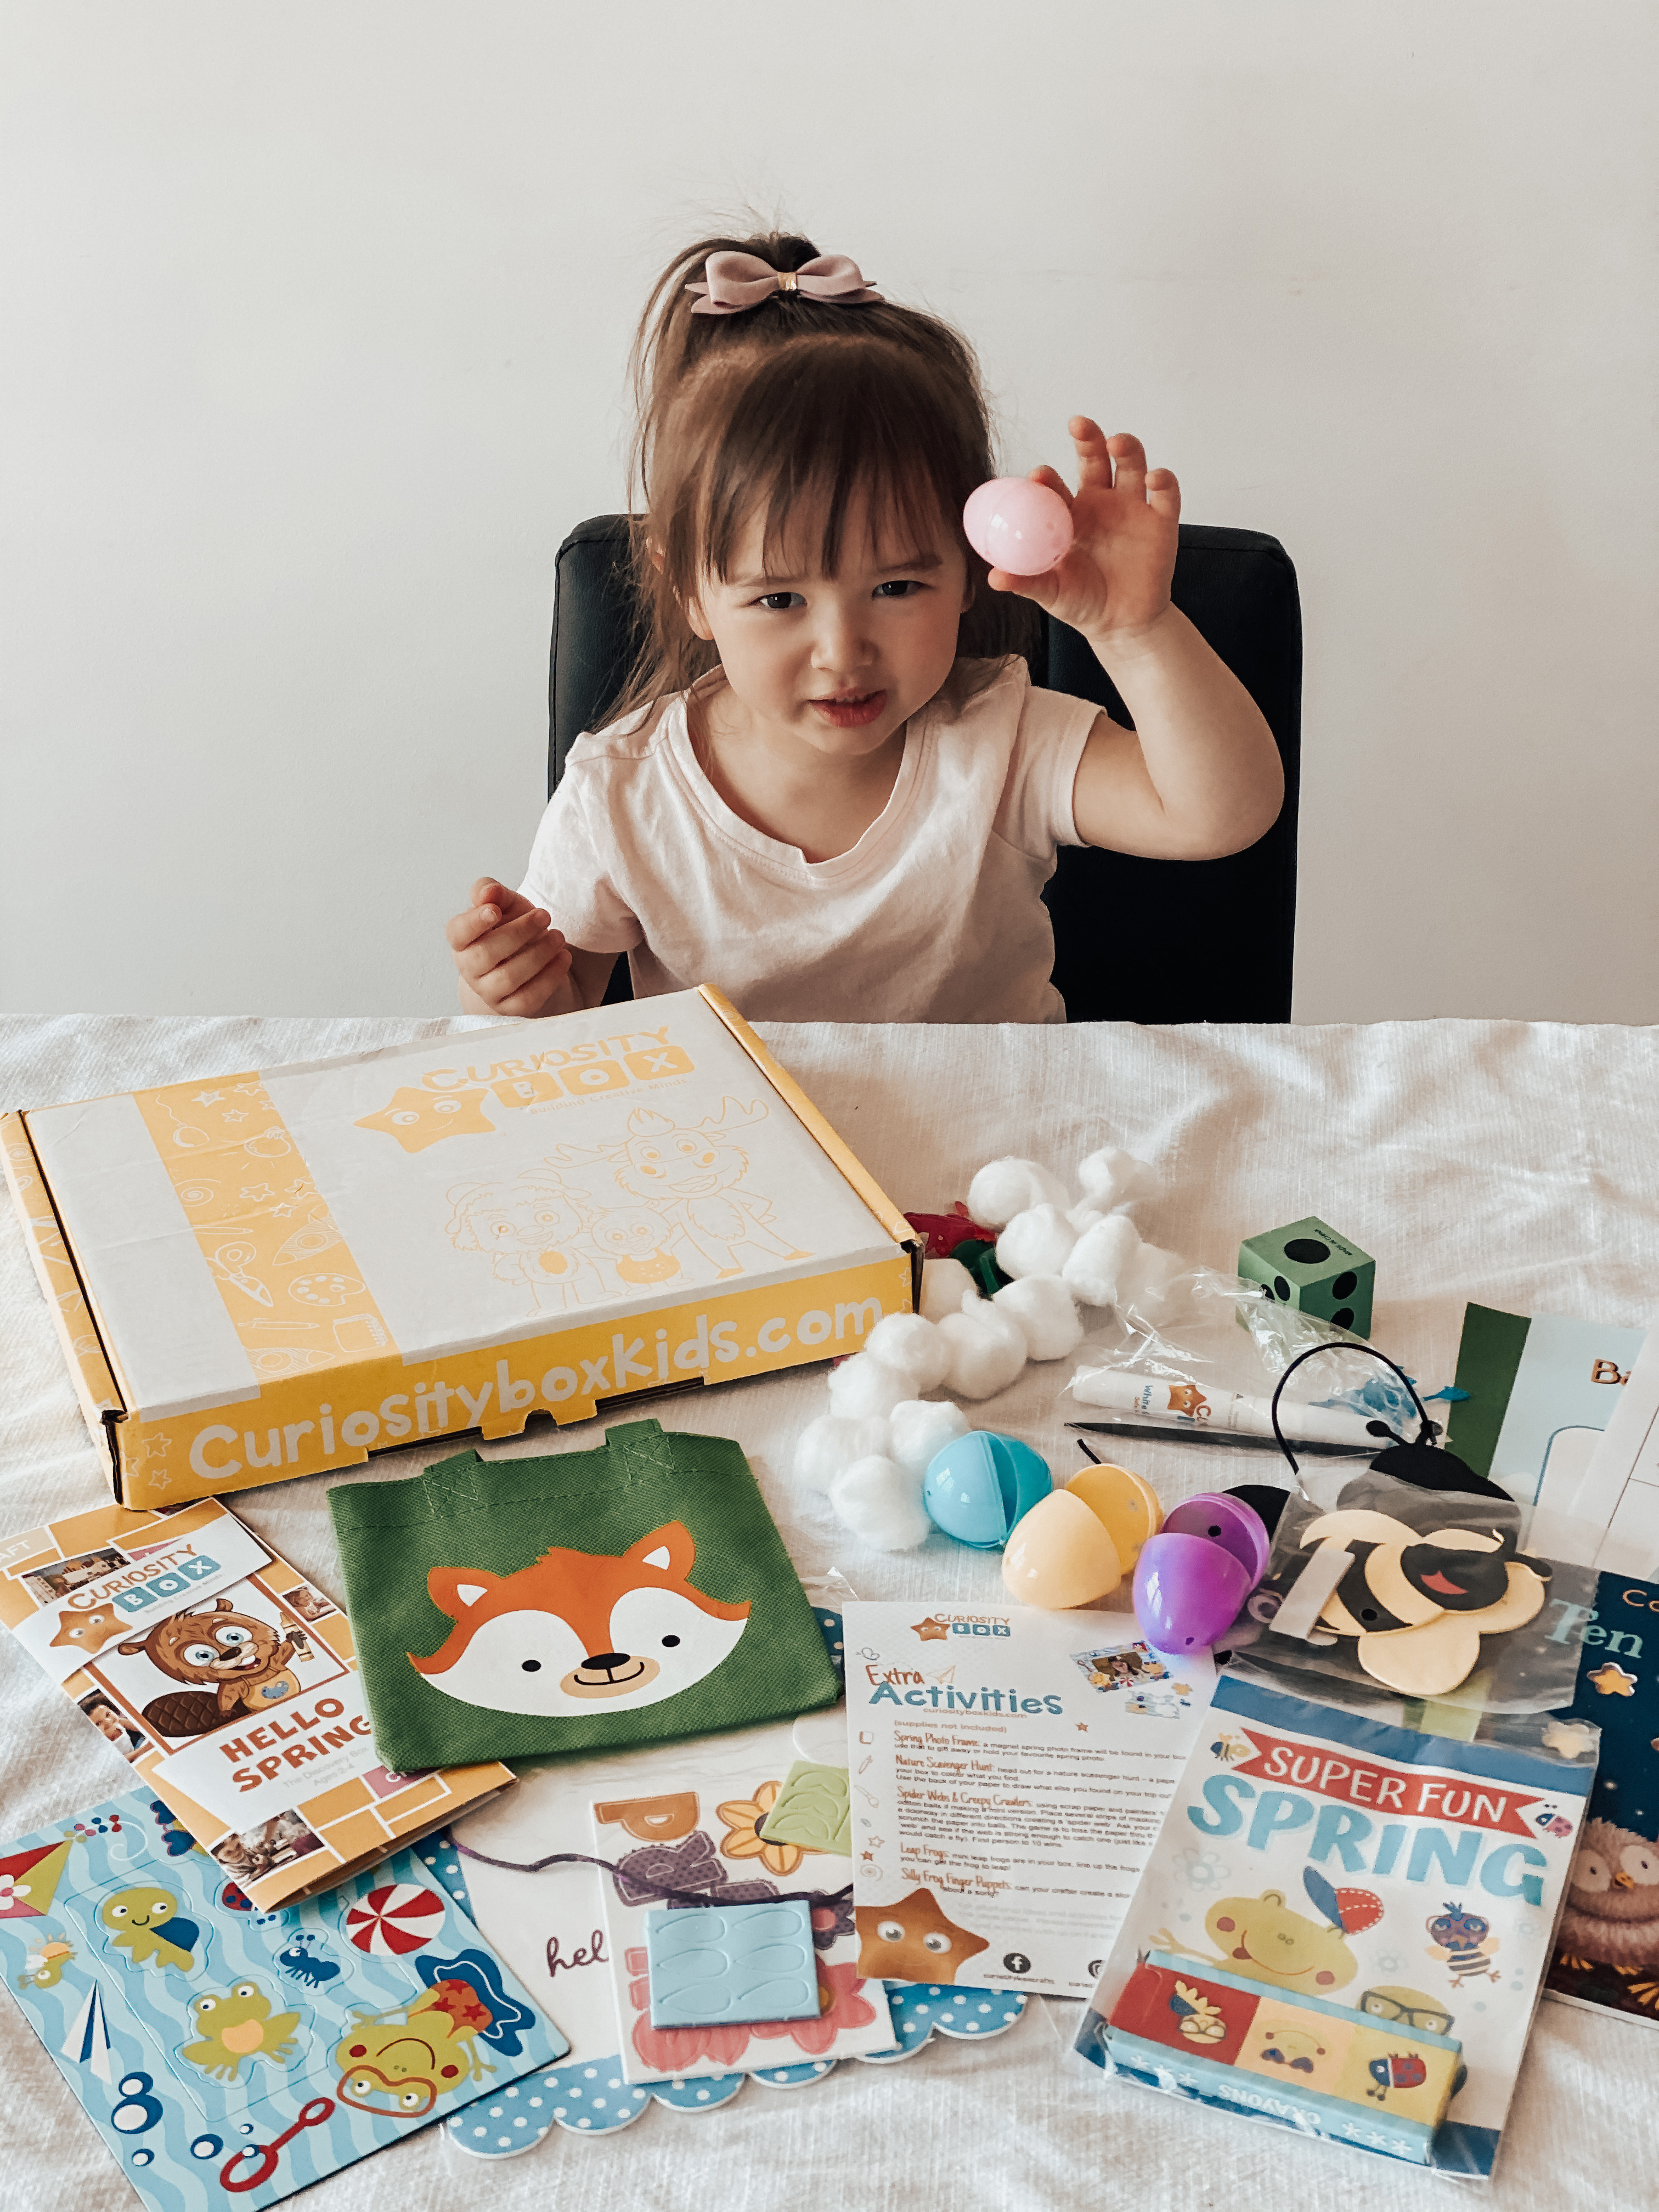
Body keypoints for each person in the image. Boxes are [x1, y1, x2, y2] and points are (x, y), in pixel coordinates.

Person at [447, 231, 1283, 1025]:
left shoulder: (1003, 738)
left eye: (895, 585)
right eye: (779, 600)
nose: (843, 653)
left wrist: (1136, 629)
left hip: (989, 1155)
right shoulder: (621, 798)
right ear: (692, 591)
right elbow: (561, 1035)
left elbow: (1219, 815)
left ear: (965, 570)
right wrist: (515, 996)